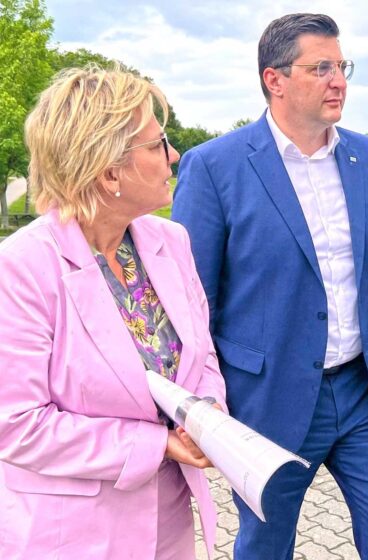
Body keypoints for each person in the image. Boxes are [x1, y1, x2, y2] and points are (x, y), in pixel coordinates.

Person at [171, 13, 368, 560]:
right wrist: (201, 402)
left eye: (342, 67)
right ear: (276, 79)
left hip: (365, 391)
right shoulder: (215, 167)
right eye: (321, 67)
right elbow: (192, 302)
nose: (339, 80)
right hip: (268, 400)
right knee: (266, 545)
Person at [0, 66, 226, 559]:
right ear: (108, 172)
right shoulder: (20, 268)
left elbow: (201, 355)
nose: (174, 156)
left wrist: (207, 413)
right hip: (70, 535)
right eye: (157, 144)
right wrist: (157, 445)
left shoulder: (172, 242)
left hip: (168, 522)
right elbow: (15, 424)